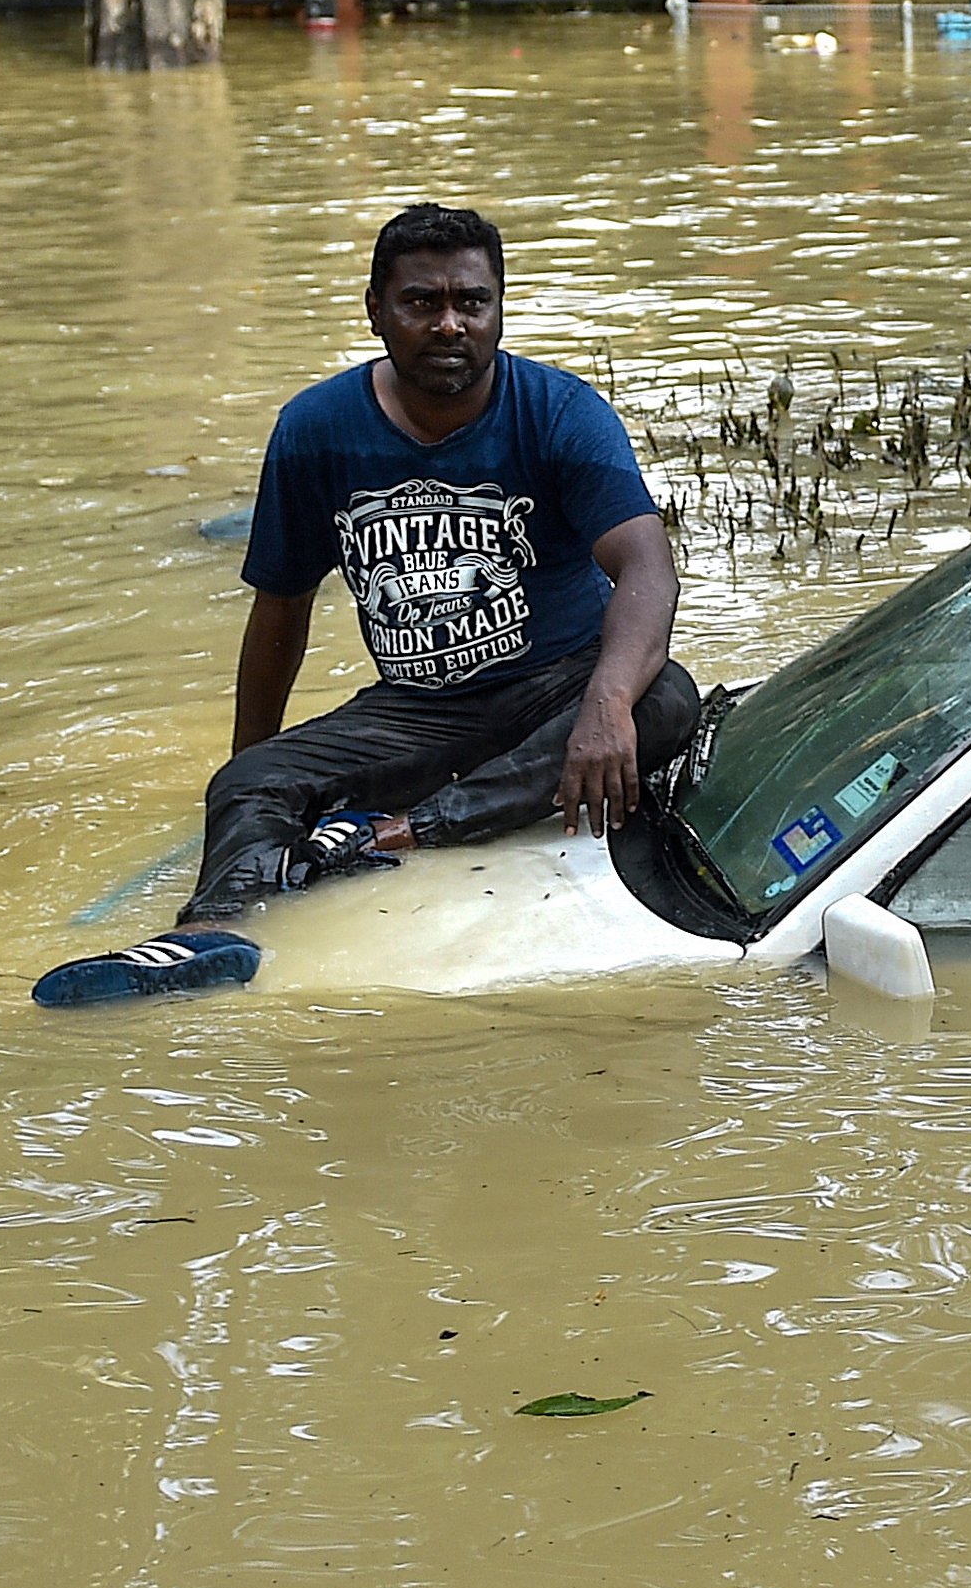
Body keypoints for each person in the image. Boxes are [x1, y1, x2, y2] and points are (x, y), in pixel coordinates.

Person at [36, 204, 698, 1005]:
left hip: (557, 683)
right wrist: (253, 771)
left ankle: (396, 831)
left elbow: (648, 570)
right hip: (417, 709)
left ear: (499, 308)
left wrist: (604, 706)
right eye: (423, 303)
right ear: (377, 311)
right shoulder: (317, 430)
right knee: (250, 783)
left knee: (663, 699)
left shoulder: (559, 412)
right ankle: (210, 934)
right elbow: (281, 605)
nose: (450, 323)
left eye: (472, 302)